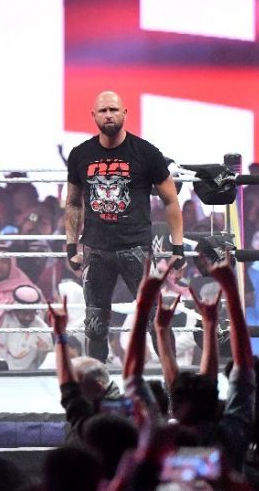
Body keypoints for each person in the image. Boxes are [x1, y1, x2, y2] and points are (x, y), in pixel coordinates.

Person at [64, 90, 184, 361]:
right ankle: (97, 382)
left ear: (125, 113)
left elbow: (171, 201)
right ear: (94, 115)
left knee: (156, 319)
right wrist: (71, 245)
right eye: (103, 110)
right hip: (96, 249)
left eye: (114, 110)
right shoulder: (80, 154)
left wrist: (178, 247)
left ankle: (174, 380)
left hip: (136, 248)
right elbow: (72, 203)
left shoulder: (146, 152)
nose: (109, 115)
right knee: (95, 325)